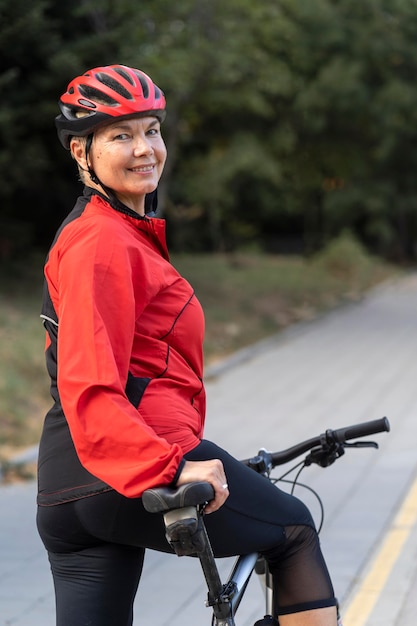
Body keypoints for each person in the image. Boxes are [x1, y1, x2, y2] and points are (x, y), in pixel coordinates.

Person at [36, 64, 339, 626]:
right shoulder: (99, 241)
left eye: (151, 130)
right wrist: (172, 465)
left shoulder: (119, 234)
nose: (144, 148)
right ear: (81, 151)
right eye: (121, 135)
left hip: (72, 485)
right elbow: (90, 382)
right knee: (293, 531)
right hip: (124, 464)